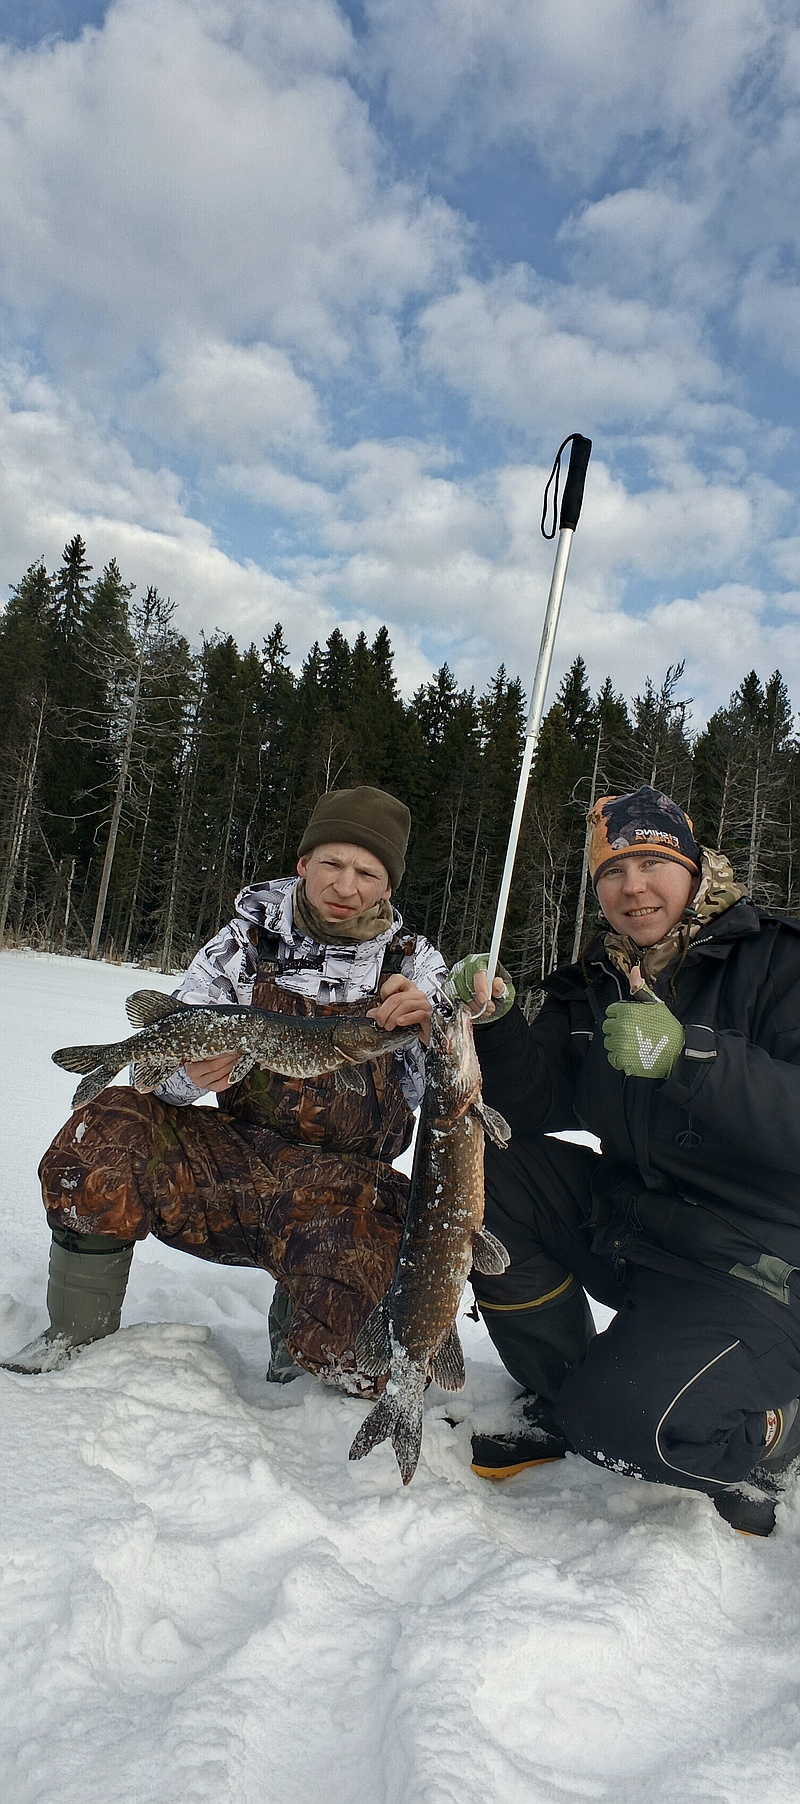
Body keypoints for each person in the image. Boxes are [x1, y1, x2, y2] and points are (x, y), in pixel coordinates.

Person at [9, 785, 447, 1392]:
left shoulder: (415, 964)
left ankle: (303, 1344)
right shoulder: (240, 947)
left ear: (388, 884)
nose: (346, 887)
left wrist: (437, 1029)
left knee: (354, 1365)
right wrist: (189, 1078)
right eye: (332, 864)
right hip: (232, 1167)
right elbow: (154, 1077)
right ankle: (76, 1332)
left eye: (367, 872)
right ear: (303, 864)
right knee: (108, 1123)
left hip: (345, 1192)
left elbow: (450, 1089)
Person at [449, 785, 800, 1536]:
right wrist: (502, 1020)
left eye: (650, 861)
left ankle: (778, 1423)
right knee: (486, 1169)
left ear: (695, 866)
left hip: (758, 1268)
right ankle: (564, 1384)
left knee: (628, 1427)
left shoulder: (779, 964)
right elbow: (538, 1106)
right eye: (612, 871)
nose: (631, 885)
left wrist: (691, 1059)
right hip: (637, 1229)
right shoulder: (597, 983)